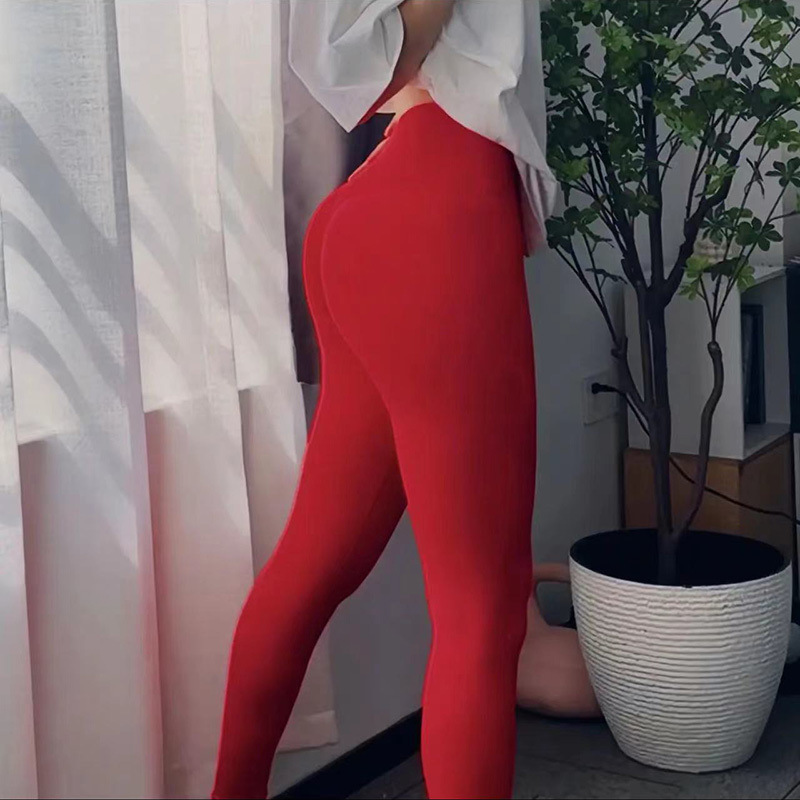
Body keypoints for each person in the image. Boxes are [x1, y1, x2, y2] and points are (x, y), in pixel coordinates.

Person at [211, 2, 556, 798]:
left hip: (383, 196)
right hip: (442, 203)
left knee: (313, 567)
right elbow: (368, 60)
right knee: (483, 609)